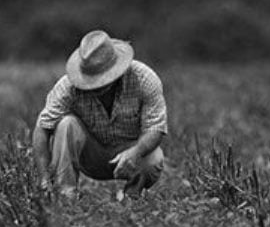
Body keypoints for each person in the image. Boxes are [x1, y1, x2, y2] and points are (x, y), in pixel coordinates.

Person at [33, 30, 168, 200]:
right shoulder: (67, 86)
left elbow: (155, 128)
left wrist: (135, 152)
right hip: (89, 155)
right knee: (66, 124)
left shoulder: (144, 79)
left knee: (154, 158)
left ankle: (131, 197)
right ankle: (65, 195)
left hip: (129, 153)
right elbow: (42, 128)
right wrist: (44, 178)